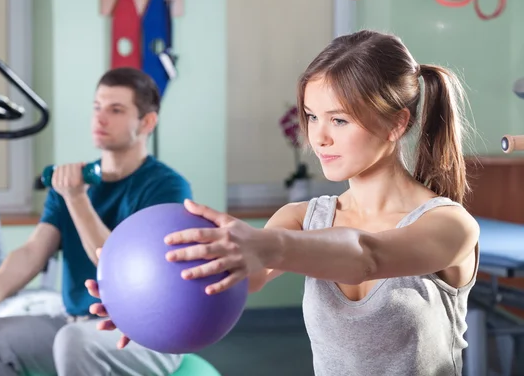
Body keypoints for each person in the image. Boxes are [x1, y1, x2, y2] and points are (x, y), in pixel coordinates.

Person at [86, 30, 480, 376]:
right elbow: (243, 278)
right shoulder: (301, 218)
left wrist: (266, 244)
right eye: (312, 116)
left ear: (397, 123)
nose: (318, 137)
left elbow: (368, 256)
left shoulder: (450, 226)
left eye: (339, 120)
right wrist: (143, 302)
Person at [0, 67, 192, 376]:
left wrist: (77, 198)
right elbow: (34, 251)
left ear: (147, 122)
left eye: (116, 110)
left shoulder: (166, 187)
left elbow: (119, 268)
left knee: (73, 341)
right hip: (76, 324)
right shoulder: (69, 183)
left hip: (146, 333)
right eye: (97, 107)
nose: (100, 118)